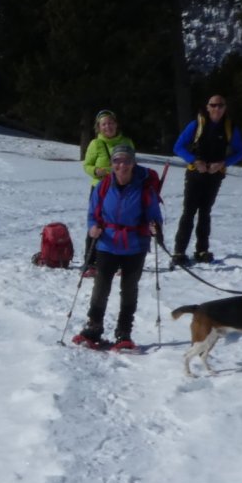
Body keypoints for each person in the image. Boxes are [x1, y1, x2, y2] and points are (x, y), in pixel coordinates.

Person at [75, 141, 163, 351]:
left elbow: (155, 217)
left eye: (126, 161)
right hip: (107, 244)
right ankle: (94, 327)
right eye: (117, 160)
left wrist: (155, 228)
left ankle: (124, 332)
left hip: (135, 246)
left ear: (133, 163)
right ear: (112, 163)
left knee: (129, 290)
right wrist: (92, 227)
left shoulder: (144, 189)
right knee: (100, 288)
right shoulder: (103, 186)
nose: (121, 165)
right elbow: (92, 214)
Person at [170, 95, 242, 266]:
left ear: (225, 108)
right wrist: (194, 161)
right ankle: (179, 251)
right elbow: (178, 146)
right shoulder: (197, 124)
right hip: (195, 174)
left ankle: (202, 250)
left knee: (205, 212)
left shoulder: (230, 128)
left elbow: (241, 151)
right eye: (214, 105)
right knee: (189, 211)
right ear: (208, 107)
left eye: (220, 105)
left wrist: (223, 164)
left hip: (215, 175)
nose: (217, 109)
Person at [79, 110, 133, 277]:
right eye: (104, 124)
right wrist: (96, 171)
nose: (108, 127)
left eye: (110, 123)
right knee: (96, 223)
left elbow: (133, 163)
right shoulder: (95, 144)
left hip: (123, 188)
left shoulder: (126, 141)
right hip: (100, 189)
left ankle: (121, 261)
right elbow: (86, 165)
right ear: (99, 128)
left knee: (121, 223)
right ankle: (90, 261)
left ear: (116, 124)